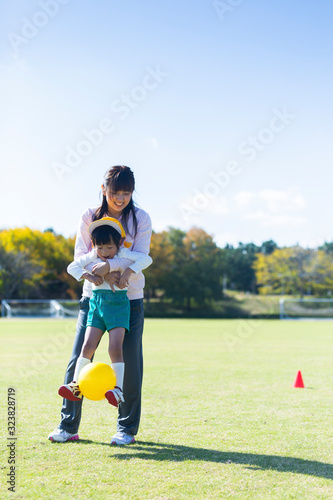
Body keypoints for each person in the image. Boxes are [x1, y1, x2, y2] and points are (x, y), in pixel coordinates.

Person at [48, 165, 152, 445]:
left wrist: (113, 266)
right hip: (93, 298)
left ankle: (126, 429)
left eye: (126, 193)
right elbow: (81, 254)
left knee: (129, 362)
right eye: (115, 192)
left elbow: (141, 255)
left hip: (129, 300)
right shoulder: (89, 216)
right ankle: (68, 426)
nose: (120, 198)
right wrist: (99, 270)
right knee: (80, 357)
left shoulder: (140, 218)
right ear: (104, 189)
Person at [58, 217, 152, 407]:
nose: (104, 253)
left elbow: (146, 259)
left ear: (118, 243)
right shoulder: (94, 255)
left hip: (118, 306)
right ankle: (75, 385)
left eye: (109, 247)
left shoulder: (124, 253)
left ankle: (117, 389)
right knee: (87, 347)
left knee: (114, 348)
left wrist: (128, 271)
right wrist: (90, 276)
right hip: (96, 306)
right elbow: (72, 266)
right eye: (100, 248)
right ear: (94, 245)